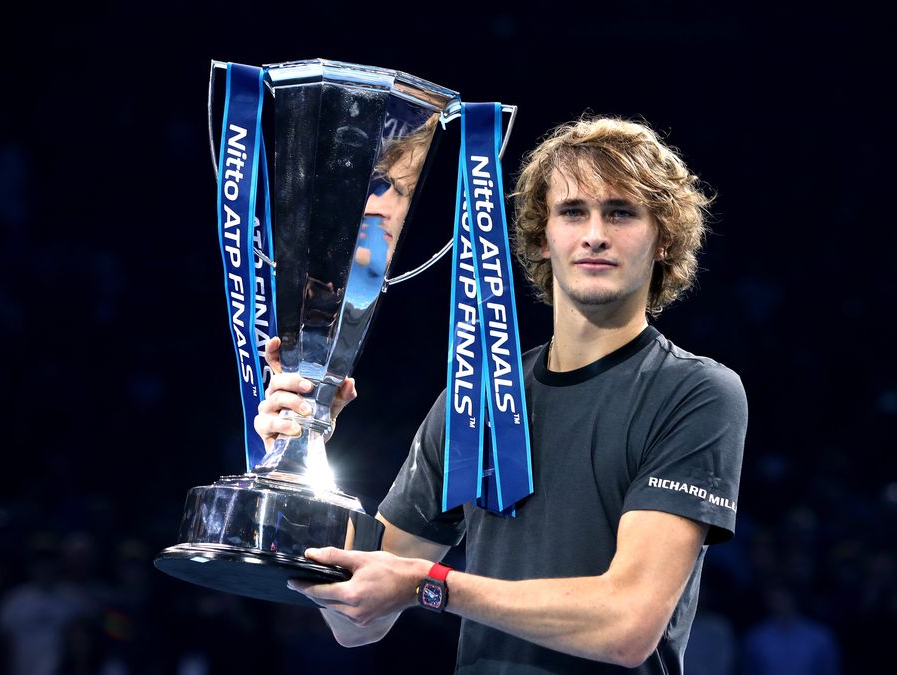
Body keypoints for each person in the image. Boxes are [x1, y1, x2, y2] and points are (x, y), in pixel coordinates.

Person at [255, 116, 748, 674]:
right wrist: (302, 453)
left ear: (664, 239)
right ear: (543, 235)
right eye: (572, 211)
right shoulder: (476, 399)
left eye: (620, 212)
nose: (594, 234)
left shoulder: (695, 392)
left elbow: (626, 625)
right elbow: (355, 619)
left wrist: (429, 585)